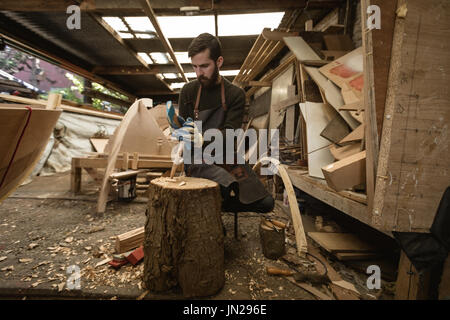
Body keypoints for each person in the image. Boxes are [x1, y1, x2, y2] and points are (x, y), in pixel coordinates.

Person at [178, 33, 274, 214]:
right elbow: (184, 131)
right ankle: (212, 210)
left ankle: (218, 207)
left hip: (226, 155)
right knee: (222, 185)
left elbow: (231, 135)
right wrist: (182, 133)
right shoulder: (188, 92)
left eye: (205, 66)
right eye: (195, 67)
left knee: (265, 202)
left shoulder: (234, 94)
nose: (199, 73)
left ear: (219, 62)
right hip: (197, 159)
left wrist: (201, 137)